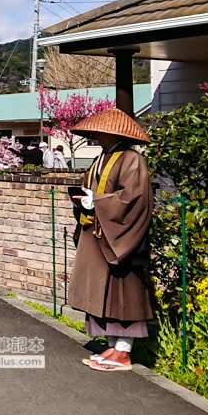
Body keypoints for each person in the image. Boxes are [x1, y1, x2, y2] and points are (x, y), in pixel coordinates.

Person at [67, 108, 153, 373]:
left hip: (119, 239)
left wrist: (97, 202)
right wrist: (84, 200)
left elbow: (132, 199)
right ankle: (113, 345)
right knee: (104, 294)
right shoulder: (101, 158)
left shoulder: (132, 159)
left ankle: (124, 351)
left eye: (99, 132)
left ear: (112, 133)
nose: (95, 136)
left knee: (123, 293)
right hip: (98, 234)